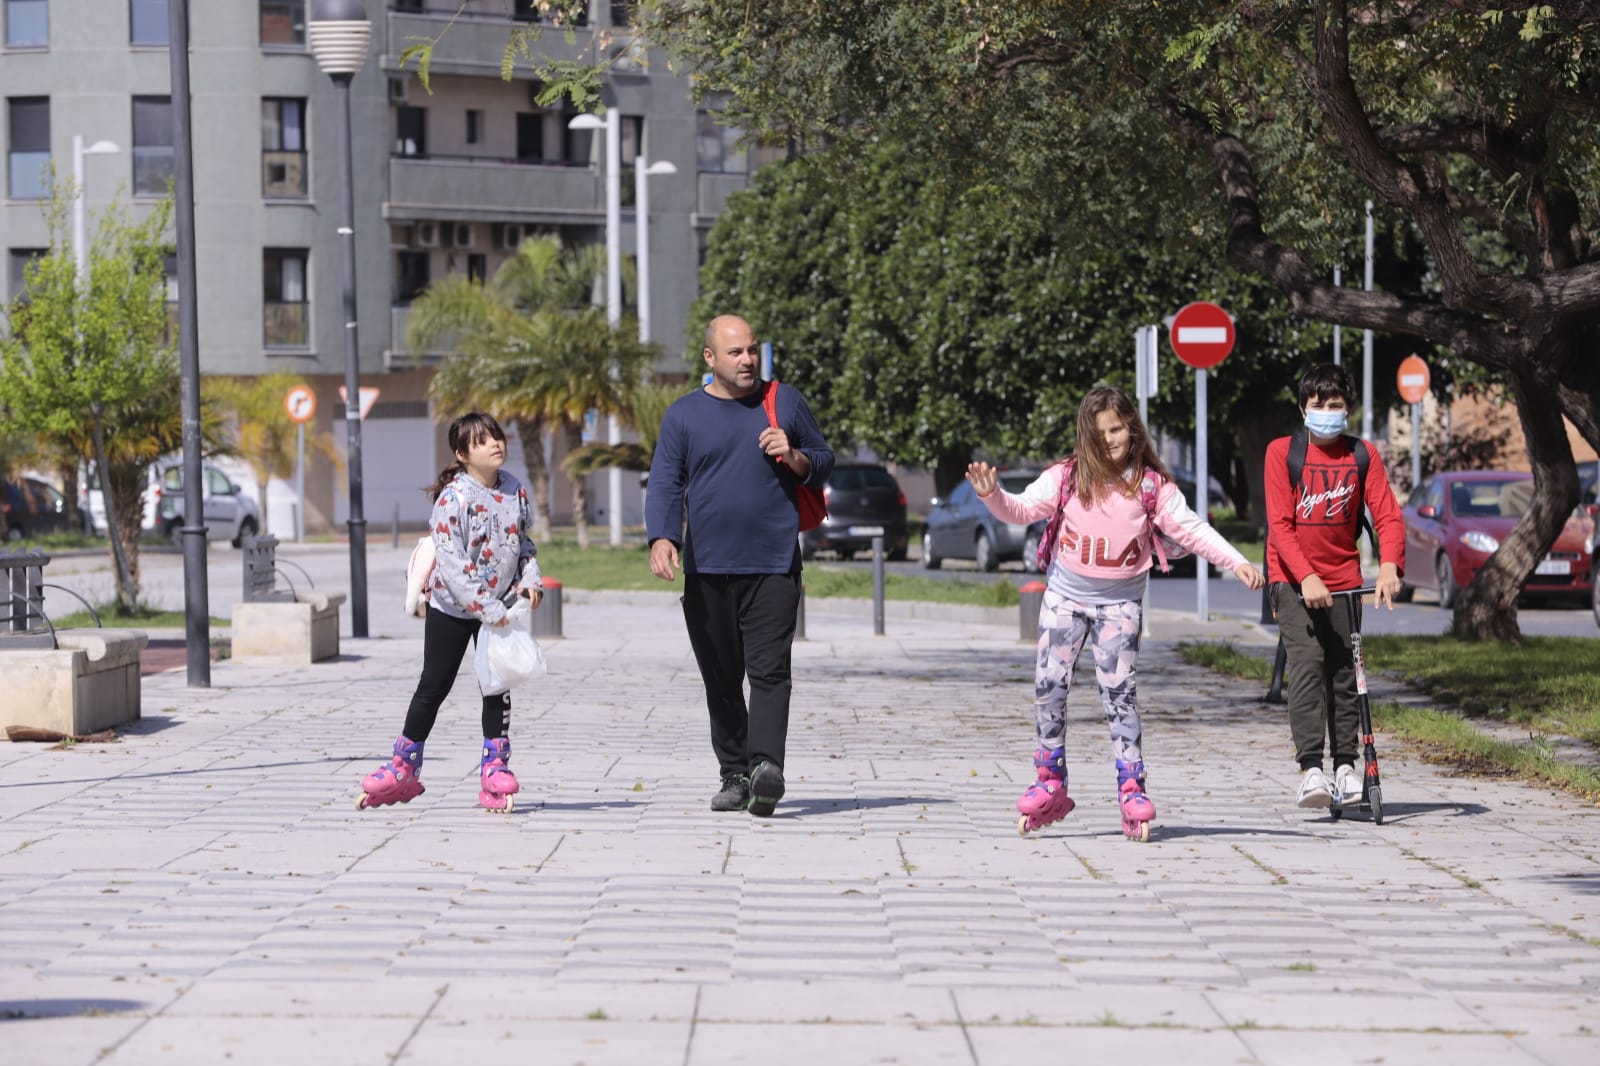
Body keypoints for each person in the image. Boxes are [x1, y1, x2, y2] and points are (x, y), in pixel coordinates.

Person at [967, 384, 1265, 841]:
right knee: (1049, 688)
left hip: (1120, 603)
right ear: (1086, 435)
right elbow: (1022, 509)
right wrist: (993, 496)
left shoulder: (1151, 488)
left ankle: (1131, 788)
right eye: (1100, 431)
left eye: (1118, 429)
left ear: (1133, 429)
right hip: (1064, 598)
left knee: (1119, 693)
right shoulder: (1066, 477)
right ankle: (1050, 781)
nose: (1110, 439)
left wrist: (1238, 561)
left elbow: (1192, 529)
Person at [646, 314, 835, 817]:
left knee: (770, 671)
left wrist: (793, 455)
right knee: (722, 678)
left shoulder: (784, 401)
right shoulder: (684, 415)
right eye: (736, 352)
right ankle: (735, 773)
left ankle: (766, 767)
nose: (748, 359)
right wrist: (662, 537)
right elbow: (665, 479)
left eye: (752, 350)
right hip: (706, 568)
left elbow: (823, 458)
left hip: (773, 562)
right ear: (710, 358)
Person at [357, 412, 544, 813]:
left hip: (498, 608)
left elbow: (524, 543)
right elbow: (453, 563)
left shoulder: (515, 490)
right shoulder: (454, 498)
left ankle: (495, 767)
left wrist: (532, 580)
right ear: (461, 454)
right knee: (434, 685)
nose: (495, 444)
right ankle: (403, 767)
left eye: (496, 436)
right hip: (453, 607)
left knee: (496, 685)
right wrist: (487, 607)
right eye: (481, 441)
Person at [1264, 363, 1404, 809]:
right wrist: (1305, 576)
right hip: (1292, 578)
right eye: (1318, 404)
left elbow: (1387, 515)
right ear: (1303, 408)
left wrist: (1389, 566)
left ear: (1348, 409)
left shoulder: (1362, 456)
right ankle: (1311, 770)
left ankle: (1346, 767)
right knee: (1307, 666)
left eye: (1335, 405)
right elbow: (1280, 526)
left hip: (1344, 580)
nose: (1326, 412)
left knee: (1346, 674)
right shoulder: (1282, 453)